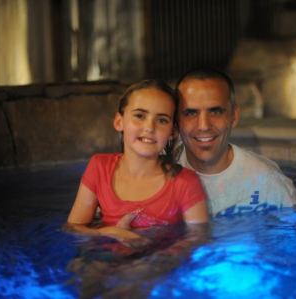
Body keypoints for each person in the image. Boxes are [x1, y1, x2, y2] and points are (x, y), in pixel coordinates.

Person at [65, 79, 209, 247]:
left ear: (172, 132)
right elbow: (73, 228)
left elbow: (198, 241)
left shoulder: (185, 183)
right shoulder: (99, 167)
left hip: (159, 262)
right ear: (119, 122)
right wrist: (111, 232)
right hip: (105, 256)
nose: (149, 127)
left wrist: (150, 262)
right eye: (140, 116)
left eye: (162, 120)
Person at [175, 68, 296, 216]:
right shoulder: (161, 171)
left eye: (215, 112)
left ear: (234, 116)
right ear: (176, 120)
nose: (203, 126)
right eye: (190, 113)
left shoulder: (270, 185)